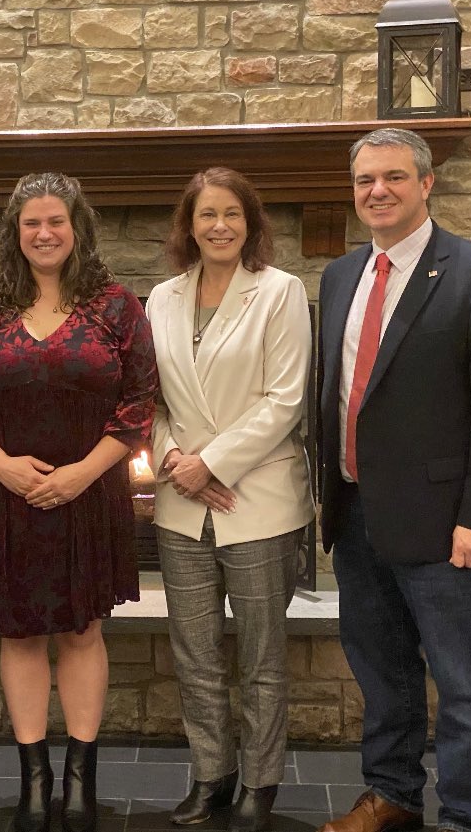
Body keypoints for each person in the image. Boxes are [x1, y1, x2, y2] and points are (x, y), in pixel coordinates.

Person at [316, 128, 471, 832]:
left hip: (447, 528)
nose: (377, 191)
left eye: (393, 177)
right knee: (383, 675)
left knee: (465, 685)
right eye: (364, 181)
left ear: (426, 183)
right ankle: (392, 795)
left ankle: (467, 816)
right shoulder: (341, 275)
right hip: (356, 515)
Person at [0, 173, 157, 832]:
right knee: (21, 632)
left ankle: (80, 778)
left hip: (88, 497)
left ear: (76, 227)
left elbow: (140, 401)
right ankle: (34, 779)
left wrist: (82, 474)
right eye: (31, 222)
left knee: (83, 628)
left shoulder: (117, 307)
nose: (44, 232)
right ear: (15, 231)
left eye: (56, 221)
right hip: (3, 499)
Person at [146, 167, 314, 832]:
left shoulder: (280, 292)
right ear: (189, 224)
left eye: (231, 215)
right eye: (206, 214)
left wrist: (210, 463)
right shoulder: (160, 297)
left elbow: (287, 399)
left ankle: (260, 781)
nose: (218, 226)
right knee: (195, 654)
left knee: (263, 658)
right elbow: (146, 399)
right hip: (181, 505)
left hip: (259, 501)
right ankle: (210, 773)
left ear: (251, 224)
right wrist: (174, 461)